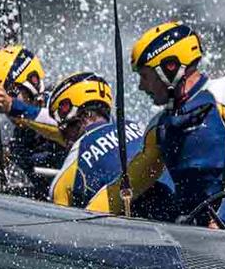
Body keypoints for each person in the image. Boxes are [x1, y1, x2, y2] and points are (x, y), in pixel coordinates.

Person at [86, 21, 225, 232]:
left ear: (170, 68)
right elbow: (125, 187)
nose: (142, 87)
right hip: (199, 237)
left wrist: (220, 222)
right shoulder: (159, 127)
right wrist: (84, 222)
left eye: (145, 76)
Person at [47, 72, 174, 218]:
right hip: (182, 211)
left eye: (61, 127)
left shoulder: (78, 152)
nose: (62, 136)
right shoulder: (140, 128)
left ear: (72, 114)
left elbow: (58, 219)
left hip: (138, 229)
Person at [0, 45, 67, 199]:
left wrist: (13, 106)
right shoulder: (7, 136)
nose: (3, 105)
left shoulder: (64, 103)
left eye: (10, 94)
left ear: (33, 82)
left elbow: (68, 128)